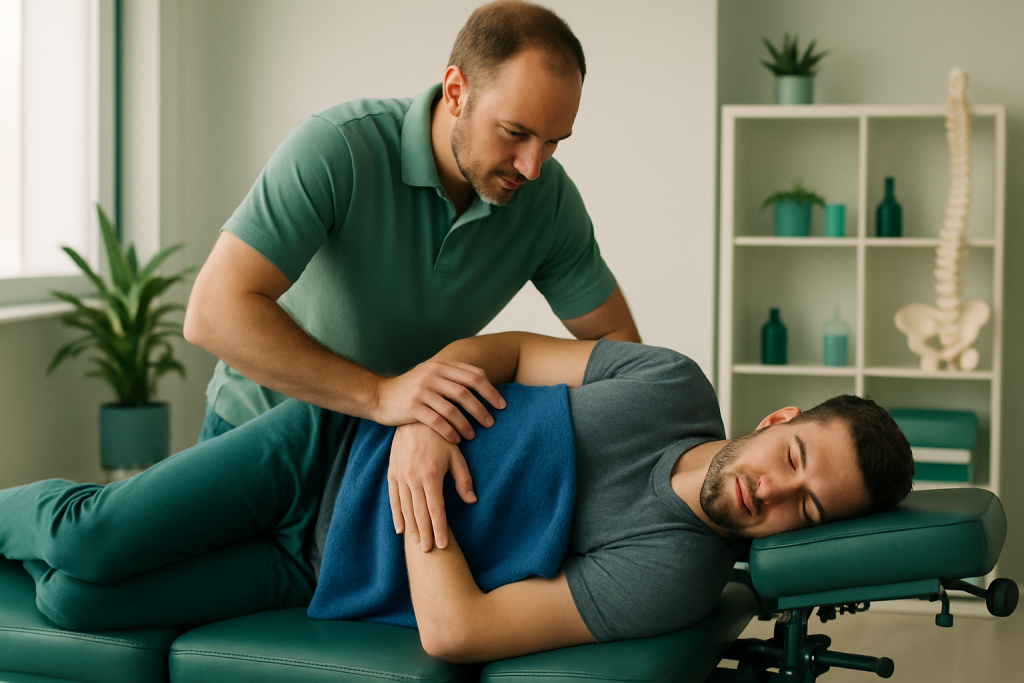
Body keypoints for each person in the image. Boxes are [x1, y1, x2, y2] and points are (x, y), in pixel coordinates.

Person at [0, 334, 915, 663]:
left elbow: (458, 631)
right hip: (322, 451)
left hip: (316, 570)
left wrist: (421, 488)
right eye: (794, 455)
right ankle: (39, 508)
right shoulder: (668, 383)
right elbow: (505, 351)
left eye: (809, 507)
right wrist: (424, 427)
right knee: (89, 541)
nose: (774, 490)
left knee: (78, 600)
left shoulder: (677, 572)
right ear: (779, 416)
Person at [183, 0, 641, 461]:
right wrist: (380, 395)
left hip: (374, 457)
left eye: (552, 142)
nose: (532, 167)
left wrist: (538, 418)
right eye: (513, 132)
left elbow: (619, 348)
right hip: (251, 431)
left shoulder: (549, 201)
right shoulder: (337, 148)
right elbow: (213, 313)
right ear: (456, 90)